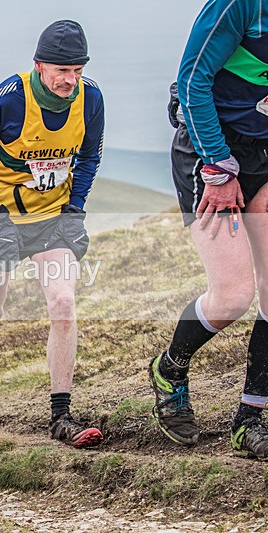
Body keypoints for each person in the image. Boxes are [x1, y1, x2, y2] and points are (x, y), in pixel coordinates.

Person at [0, 20, 105, 448]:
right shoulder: (10, 97)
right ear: (40, 66)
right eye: (63, 71)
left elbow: (89, 157)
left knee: (63, 303)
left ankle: (61, 415)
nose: (70, 80)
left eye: (78, 70)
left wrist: (75, 209)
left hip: (51, 219)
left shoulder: (91, 98)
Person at [152, 0, 268, 460]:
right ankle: (170, 368)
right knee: (234, 296)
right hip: (212, 150)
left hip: (264, 152)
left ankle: (250, 419)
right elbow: (192, 81)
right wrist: (219, 167)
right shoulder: (243, 4)